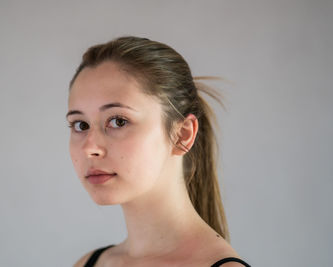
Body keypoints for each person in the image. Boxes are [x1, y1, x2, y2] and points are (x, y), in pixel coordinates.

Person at [66, 36, 250, 267]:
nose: (90, 148)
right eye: (80, 125)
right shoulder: (88, 264)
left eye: (119, 121)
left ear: (183, 134)